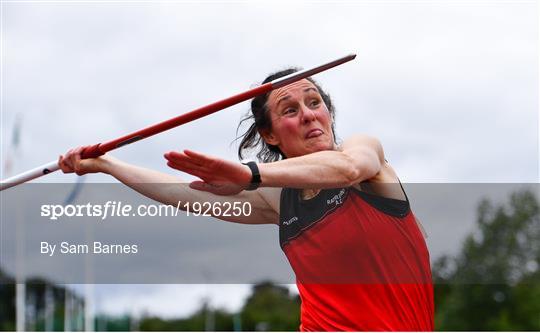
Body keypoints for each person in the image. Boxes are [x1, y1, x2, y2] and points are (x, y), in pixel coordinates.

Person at [59, 68, 434, 331]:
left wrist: (250, 174)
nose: (307, 115)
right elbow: (181, 194)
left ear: (329, 112)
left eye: (314, 102)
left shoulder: (365, 153)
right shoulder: (279, 199)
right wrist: (107, 165)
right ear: (270, 136)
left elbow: (349, 167)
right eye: (290, 110)